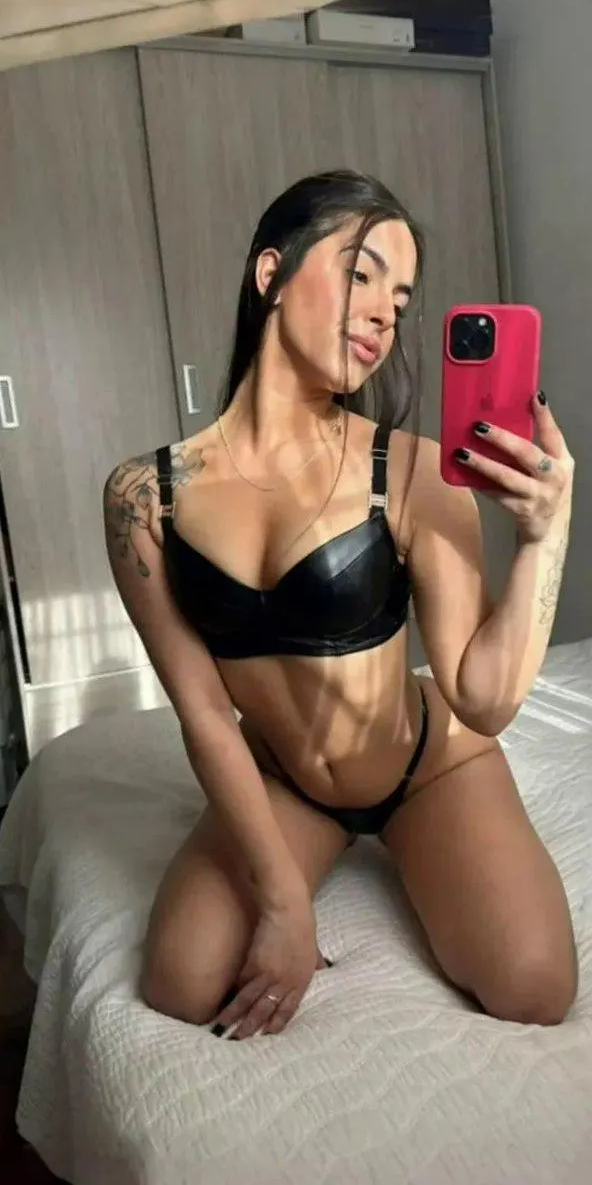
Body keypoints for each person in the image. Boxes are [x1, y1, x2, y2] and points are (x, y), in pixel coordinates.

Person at [103, 170, 577, 1042]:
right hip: (287, 776)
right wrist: (284, 901)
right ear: (272, 275)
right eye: (362, 274)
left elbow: (484, 700)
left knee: (535, 988)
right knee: (180, 981)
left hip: (426, 761)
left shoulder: (413, 469)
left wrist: (546, 536)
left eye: (400, 300)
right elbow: (205, 713)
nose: (385, 316)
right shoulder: (145, 497)